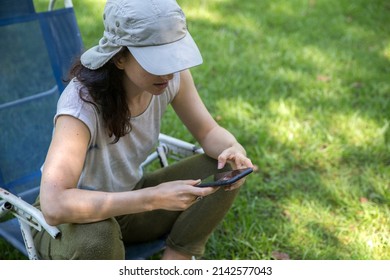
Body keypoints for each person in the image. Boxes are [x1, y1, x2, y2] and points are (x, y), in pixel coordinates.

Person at [33, 0, 253, 260]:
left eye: (172, 55)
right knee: (99, 239)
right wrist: (153, 198)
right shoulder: (81, 105)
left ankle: (176, 260)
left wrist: (232, 148)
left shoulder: (171, 78)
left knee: (225, 168)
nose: (169, 72)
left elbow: (208, 132)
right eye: (156, 60)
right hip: (69, 226)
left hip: (131, 202)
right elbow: (54, 205)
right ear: (119, 57)